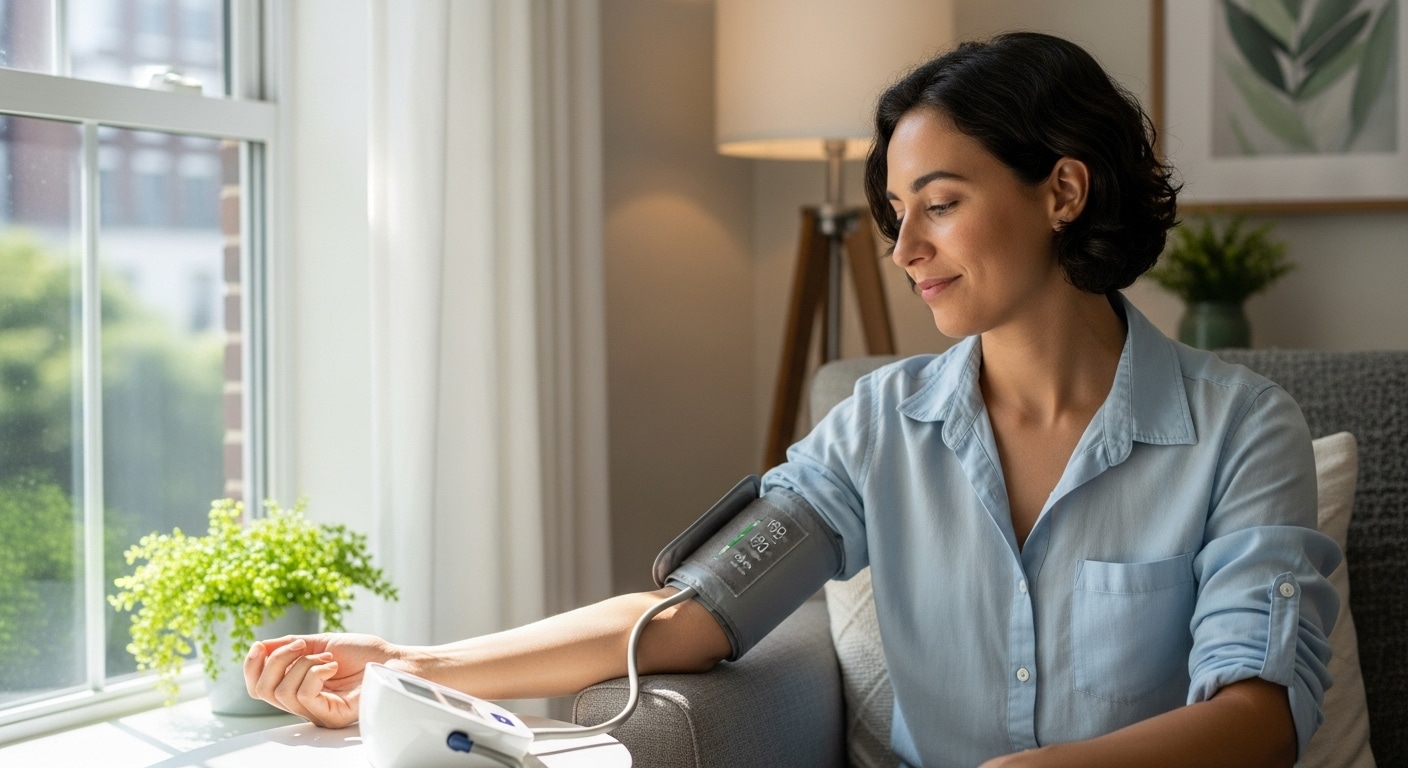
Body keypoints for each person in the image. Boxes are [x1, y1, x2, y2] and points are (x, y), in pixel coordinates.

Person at [245, 32, 1339, 768]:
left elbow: (1254, 720)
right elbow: (692, 614)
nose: (905, 249)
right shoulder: (875, 424)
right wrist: (419, 665)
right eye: (895, 212)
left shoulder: (1241, 430)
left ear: (1060, 189)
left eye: (941, 204)